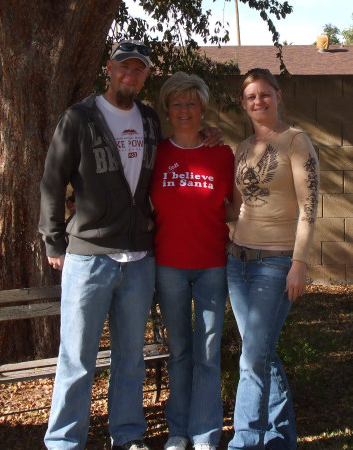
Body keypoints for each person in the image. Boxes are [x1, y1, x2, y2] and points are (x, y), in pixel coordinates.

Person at [39, 40, 223, 450]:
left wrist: (212, 132)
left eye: (139, 69)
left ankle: (126, 436)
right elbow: (53, 181)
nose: (130, 74)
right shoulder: (80, 117)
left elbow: (183, 143)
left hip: (139, 259)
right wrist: (54, 241)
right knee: (77, 358)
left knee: (130, 359)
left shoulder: (148, 119)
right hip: (90, 256)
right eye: (124, 66)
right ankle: (65, 441)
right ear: (110, 67)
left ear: (145, 76)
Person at [225, 68, 319, 450]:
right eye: (251, 97)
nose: (258, 102)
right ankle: (281, 439)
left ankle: (244, 443)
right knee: (259, 352)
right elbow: (234, 207)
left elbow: (311, 206)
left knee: (252, 358)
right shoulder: (243, 148)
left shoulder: (297, 141)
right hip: (238, 261)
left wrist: (299, 262)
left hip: (276, 263)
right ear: (244, 104)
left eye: (265, 94)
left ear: (278, 96)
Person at [150, 72, 235, 450]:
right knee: (180, 351)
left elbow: (236, 207)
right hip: (168, 265)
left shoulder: (222, 153)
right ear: (167, 110)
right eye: (177, 103)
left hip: (212, 265)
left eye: (192, 103)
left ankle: (204, 434)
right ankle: (178, 432)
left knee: (208, 351)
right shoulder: (157, 153)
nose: (185, 110)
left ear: (202, 108)